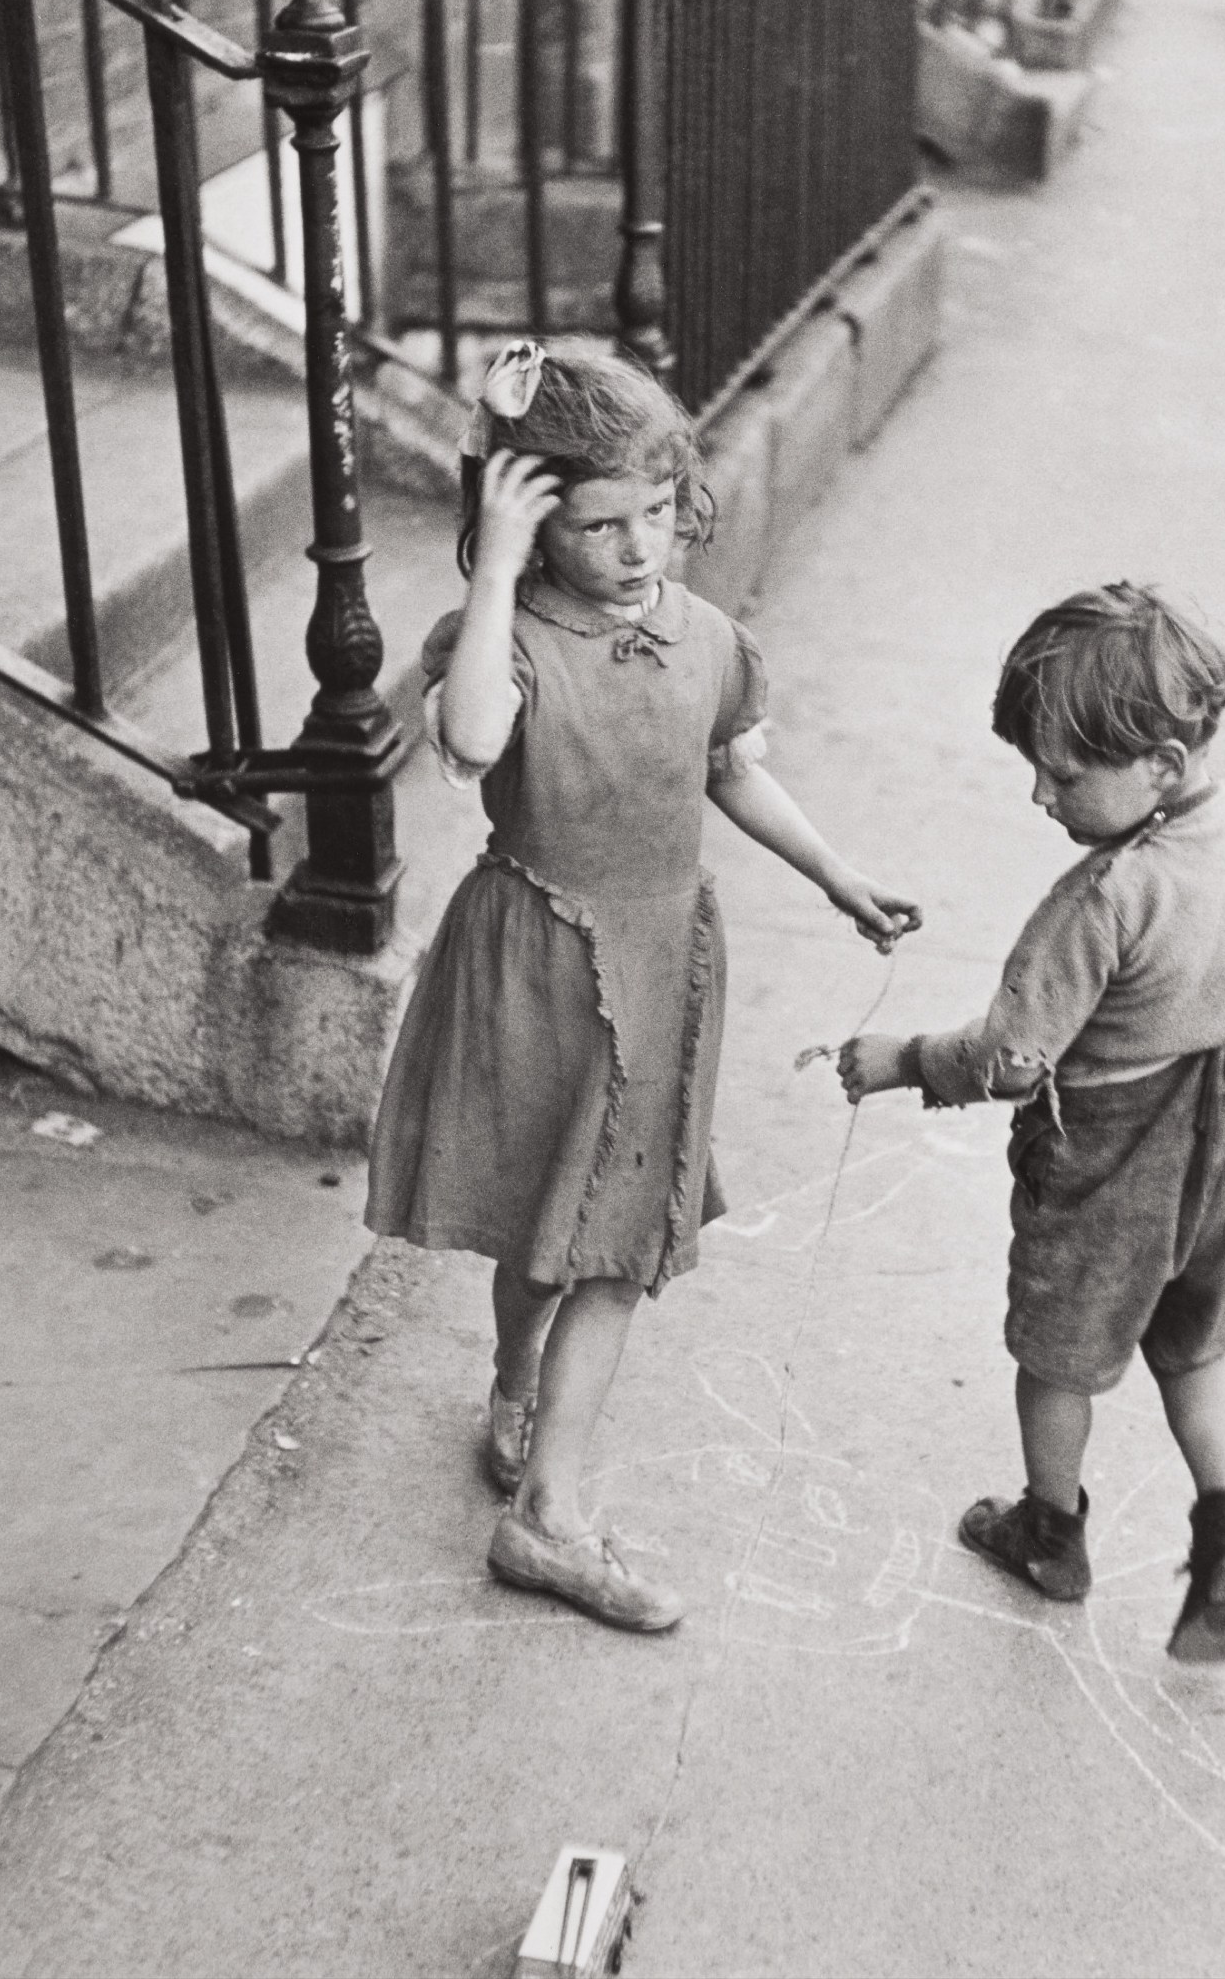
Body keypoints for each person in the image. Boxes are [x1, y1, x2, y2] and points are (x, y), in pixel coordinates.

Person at [366, 340, 919, 1634]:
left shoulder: (704, 637)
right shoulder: (499, 640)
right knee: (536, 1228)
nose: (633, 550)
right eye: (596, 525)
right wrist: (495, 570)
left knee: (612, 1245)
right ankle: (518, 1384)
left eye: (656, 515)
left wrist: (836, 872)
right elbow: (468, 739)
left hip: (662, 962)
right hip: (537, 963)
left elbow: (727, 769)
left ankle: (549, 1508)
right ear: (528, 521)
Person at [838, 585, 1225, 1665]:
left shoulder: (1102, 898)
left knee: (1058, 1349)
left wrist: (901, 1060)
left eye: (1063, 772)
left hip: (1109, 1143)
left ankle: (1047, 1531)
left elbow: (1009, 1058)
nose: (1041, 794)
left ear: (1163, 761)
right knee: (1192, 1338)